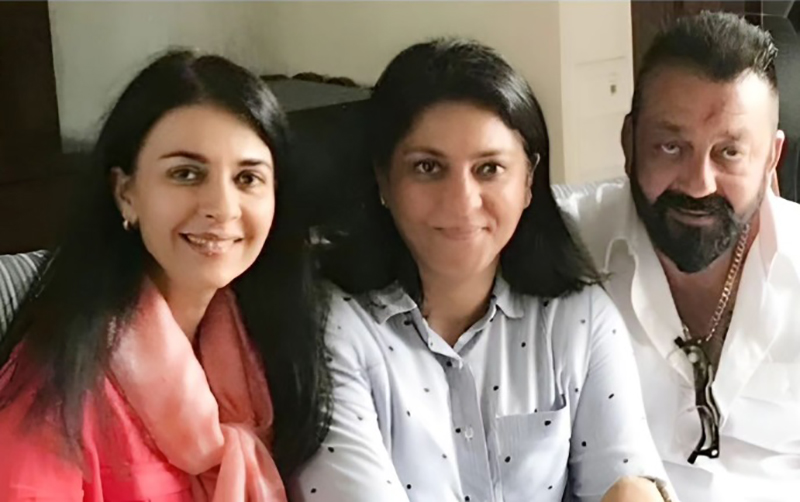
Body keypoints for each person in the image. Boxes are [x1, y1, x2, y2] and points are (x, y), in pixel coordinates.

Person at [292, 39, 673, 502]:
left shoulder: (579, 317)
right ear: (383, 180)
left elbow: (628, 482)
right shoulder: (330, 327)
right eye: (427, 167)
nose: (462, 202)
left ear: (528, 180)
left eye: (489, 168)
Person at [0, 51, 330, 501]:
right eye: (186, 174)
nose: (222, 207)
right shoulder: (53, 391)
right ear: (126, 193)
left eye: (248, 178)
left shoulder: (270, 350)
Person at [559, 11, 800, 502]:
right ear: (629, 143)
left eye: (729, 152)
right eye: (671, 147)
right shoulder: (560, 244)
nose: (698, 184)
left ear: (771, 159)